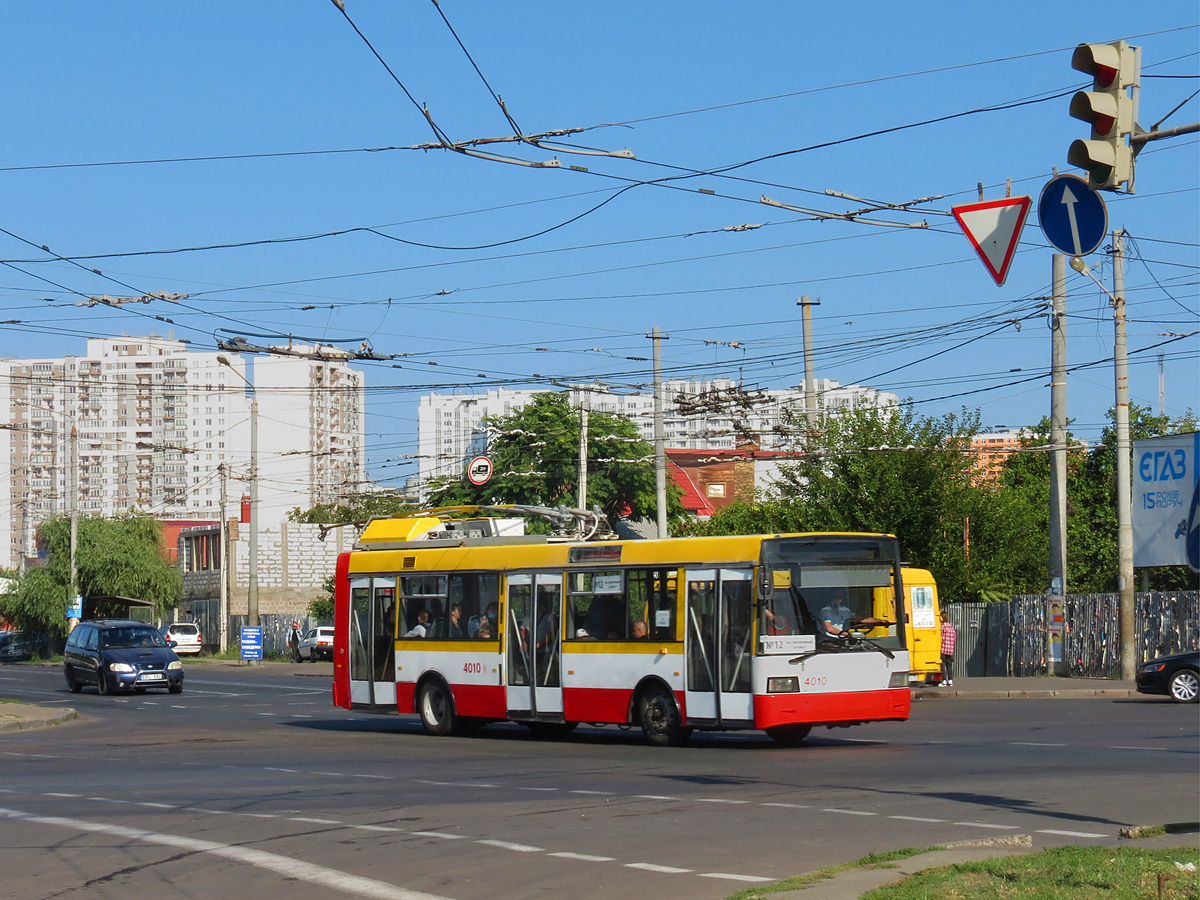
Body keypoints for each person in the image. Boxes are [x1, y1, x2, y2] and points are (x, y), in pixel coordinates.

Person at [818, 594, 886, 640]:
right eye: (836, 597)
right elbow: (829, 629)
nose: (838, 599)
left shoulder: (844, 610)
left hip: (841, 639)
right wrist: (847, 634)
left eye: (841, 597)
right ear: (831, 598)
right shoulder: (825, 611)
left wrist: (879, 621)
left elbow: (860, 619)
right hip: (828, 639)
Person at [940, 609, 957, 687]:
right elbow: (954, 637)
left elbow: (941, 638)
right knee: (949, 665)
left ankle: (943, 680)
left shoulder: (943, 627)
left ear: (943, 617)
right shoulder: (951, 626)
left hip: (944, 648)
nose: (939, 618)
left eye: (940, 616)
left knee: (942, 665)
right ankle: (950, 680)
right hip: (950, 649)